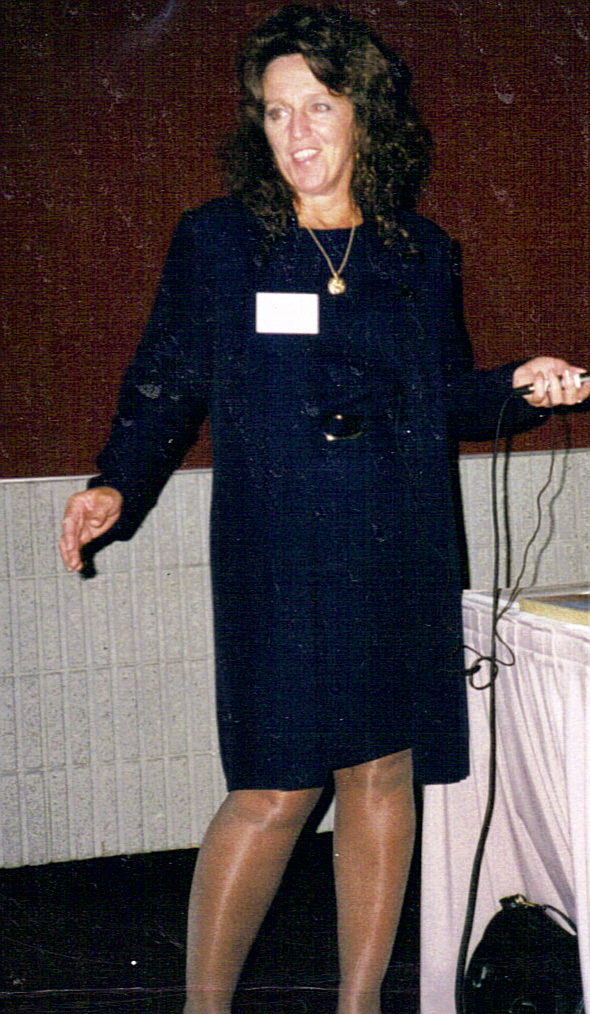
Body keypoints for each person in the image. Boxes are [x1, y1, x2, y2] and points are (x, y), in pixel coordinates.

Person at [59, 6, 589, 1013]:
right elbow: (167, 382)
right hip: (278, 550)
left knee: (382, 773)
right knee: (274, 785)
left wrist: (522, 386)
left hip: (397, 539)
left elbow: (444, 396)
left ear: (361, 116)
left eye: (318, 105)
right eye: (275, 111)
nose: (296, 131)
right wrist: (115, 482)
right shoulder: (220, 241)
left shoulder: (417, 251)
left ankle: (358, 1004)